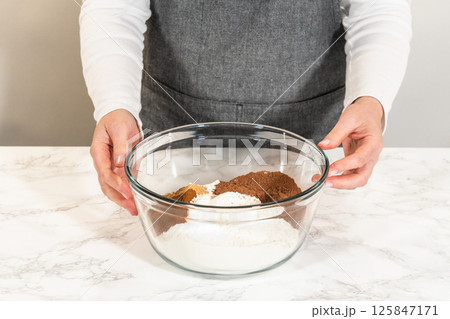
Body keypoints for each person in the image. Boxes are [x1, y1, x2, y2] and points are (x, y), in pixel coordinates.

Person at [80, 0, 412, 215]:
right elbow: (114, 8)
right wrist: (114, 103)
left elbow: (378, 9)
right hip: (169, 141)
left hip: (310, 147)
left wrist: (371, 99)